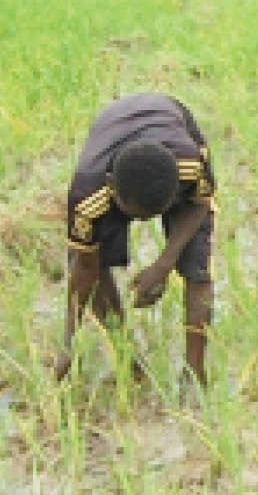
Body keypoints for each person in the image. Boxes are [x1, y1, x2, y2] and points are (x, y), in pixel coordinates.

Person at [57, 94, 217, 386]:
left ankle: (195, 375)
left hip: (168, 116)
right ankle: (128, 360)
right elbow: (84, 271)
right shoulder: (88, 196)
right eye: (137, 216)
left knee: (199, 271)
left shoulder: (190, 164)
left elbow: (200, 204)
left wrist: (164, 264)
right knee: (98, 262)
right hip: (113, 128)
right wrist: (68, 342)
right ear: (113, 192)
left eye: (155, 214)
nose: (144, 223)